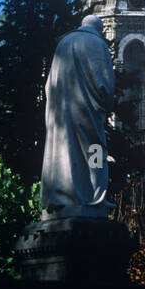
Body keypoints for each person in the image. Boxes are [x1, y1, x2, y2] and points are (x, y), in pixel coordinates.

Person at [40, 14, 116, 219]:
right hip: (87, 112)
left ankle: (62, 195)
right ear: (99, 29)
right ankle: (95, 195)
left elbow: (49, 84)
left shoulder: (63, 43)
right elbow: (106, 83)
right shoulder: (97, 44)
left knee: (64, 152)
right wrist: (107, 103)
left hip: (61, 111)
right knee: (96, 152)